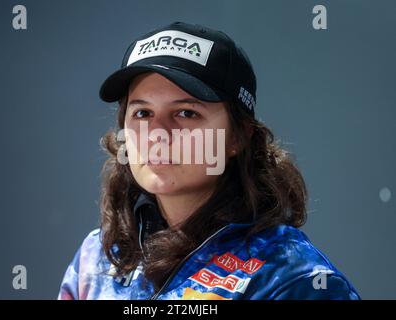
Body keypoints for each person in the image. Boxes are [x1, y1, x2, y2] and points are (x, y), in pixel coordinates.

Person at [58, 21, 360, 300]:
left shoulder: (291, 279)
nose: (157, 134)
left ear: (238, 136)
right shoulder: (96, 259)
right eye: (142, 113)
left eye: (186, 113)